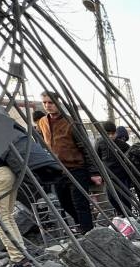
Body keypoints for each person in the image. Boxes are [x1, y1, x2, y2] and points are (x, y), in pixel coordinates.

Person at [36, 90, 102, 233]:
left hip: (76, 168)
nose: (48, 105)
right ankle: (82, 225)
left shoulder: (71, 122)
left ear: (58, 103)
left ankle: (88, 233)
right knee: (64, 202)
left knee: (80, 203)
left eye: (51, 102)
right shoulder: (42, 122)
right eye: (45, 103)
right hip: (58, 169)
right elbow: (42, 144)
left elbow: (86, 148)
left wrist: (94, 172)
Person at [95, 120, 133, 215]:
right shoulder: (100, 144)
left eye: (113, 133)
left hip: (122, 177)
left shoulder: (122, 145)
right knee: (112, 198)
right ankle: (120, 214)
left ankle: (128, 216)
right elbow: (96, 159)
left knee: (125, 198)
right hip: (108, 177)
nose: (111, 136)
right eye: (108, 134)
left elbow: (131, 156)